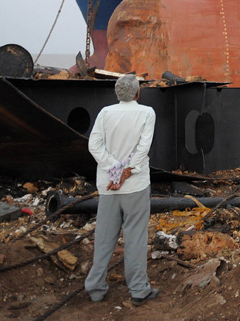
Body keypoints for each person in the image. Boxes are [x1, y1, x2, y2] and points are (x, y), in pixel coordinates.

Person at [84, 73, 159, 305]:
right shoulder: (147, 113)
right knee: (135, 237)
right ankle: (138, 290)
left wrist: (113, 168)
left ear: (117, 92)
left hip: (108, 187)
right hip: (135, 185)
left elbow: (93, 145)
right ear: (138, 93)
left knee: (105, 237)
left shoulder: (105, 113)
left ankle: (95, 288)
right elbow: (143, 147)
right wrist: (127, 171)